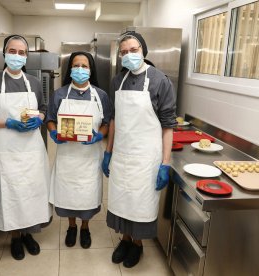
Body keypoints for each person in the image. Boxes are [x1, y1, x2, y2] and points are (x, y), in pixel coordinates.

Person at [102, 31, 177, 268]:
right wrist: (108, 151)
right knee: (122, 199)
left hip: (146, 157)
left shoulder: (160, 80)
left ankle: (137, 245)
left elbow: (168, 126)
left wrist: (165, 163)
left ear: (143, 50)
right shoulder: (117, 81)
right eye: (123, 52)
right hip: (122, 154)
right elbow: (114, 119)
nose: (128, 55)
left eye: (133, 50)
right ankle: (124, 240)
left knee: (139, 201)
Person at [0, 34, 52, 261]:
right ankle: (16, 237)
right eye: (13, 51)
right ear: (4, 53)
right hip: (7, 151)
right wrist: (7, 122)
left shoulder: (34, 83)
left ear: (26, 56)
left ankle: (29, 233)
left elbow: (44, 107)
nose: (17, 56)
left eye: (21, 53)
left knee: (31, 192)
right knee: (11, 194)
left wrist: (40, 116)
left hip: (32, 150)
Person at [46, 51, 112, 249]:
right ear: (70, 69)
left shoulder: (101, 96)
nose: (80, 70)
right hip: (67, 156)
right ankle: (71, 226)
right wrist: (54, 132)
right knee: (68, 194)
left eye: (85, 66)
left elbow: (107, 123)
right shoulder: (59, 94)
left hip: (90, 157)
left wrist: (100, 135)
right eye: (76, 66)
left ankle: (85, 227)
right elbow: (50, 120)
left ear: (91, 70)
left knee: (87, 194)